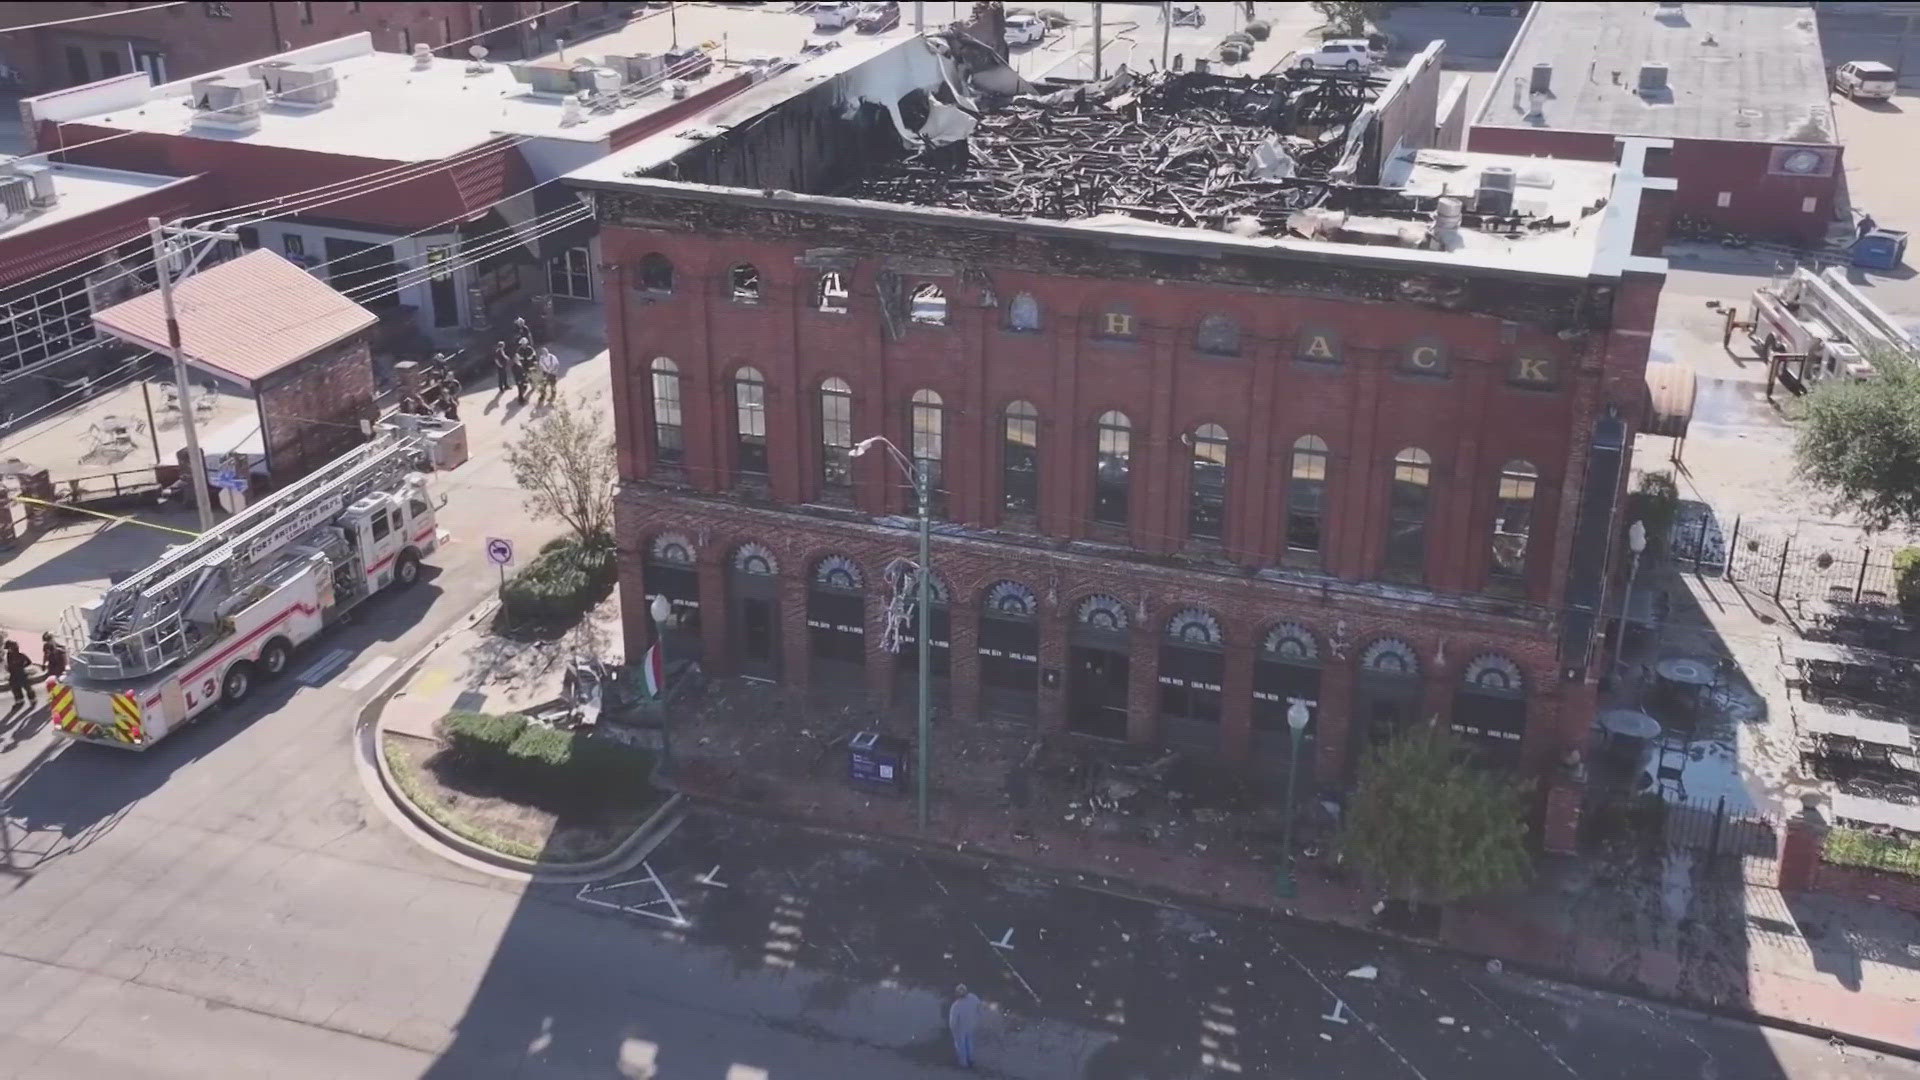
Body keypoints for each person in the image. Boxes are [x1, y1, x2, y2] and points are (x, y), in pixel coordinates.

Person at [948, 984, 982, 1069]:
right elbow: (979, 1008)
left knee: (961, 1045)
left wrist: (953, 1030)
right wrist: (977, 1018)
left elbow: (953, 1021)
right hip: (971, 1025)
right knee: (969, 1042)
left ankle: (963, 1063)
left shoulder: (956, 1006)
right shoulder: (973, 998)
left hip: (960, 1028)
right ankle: (970, 1059)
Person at [5, 639, 34, 710]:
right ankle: (19, 700)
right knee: (14, 687)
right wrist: (9, 669)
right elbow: (9, 664)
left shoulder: (21, 655)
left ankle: (32, 699)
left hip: (21, 673)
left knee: (27, 687)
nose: (8, 650)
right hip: (13, 674)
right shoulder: (9, 655)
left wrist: (22, 666)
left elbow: (29, 662)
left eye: (9, 648)